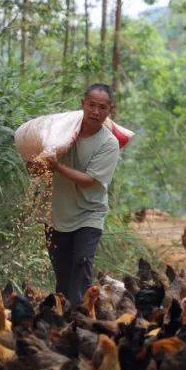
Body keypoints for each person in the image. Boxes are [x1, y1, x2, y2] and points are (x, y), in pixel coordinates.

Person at [41, 84, 122, 310]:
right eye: (92, 105)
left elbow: (88, 180)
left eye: (102, 107)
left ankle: (82, 318)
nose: (96, 111)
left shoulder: (108, 143)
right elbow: (38, 163)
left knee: (81, 264)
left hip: (89, 213)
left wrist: (56, 166)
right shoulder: (62, 132)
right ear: (83, 104)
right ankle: (63, 320)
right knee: (63, 273)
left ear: (110, 110)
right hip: (57, 213)